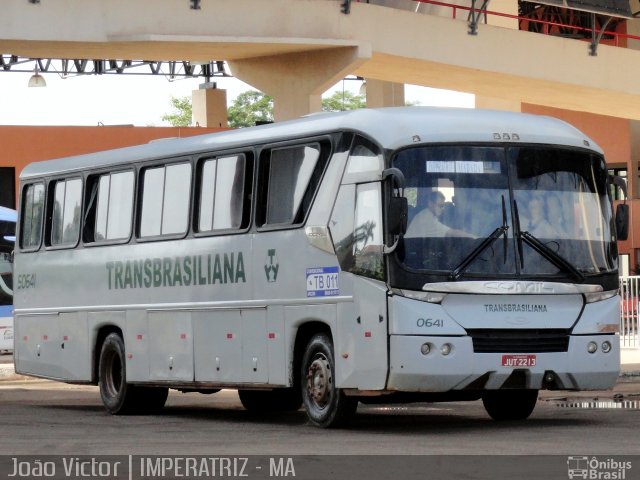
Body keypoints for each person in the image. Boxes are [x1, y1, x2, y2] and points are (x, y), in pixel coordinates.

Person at [405, 190, 473, 238]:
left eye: (443, 206)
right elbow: (451, 233)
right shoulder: (426, 219)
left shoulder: (427, 214)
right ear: (431, 204)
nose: (442, 209)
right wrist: (475, 238)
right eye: (440, 206)